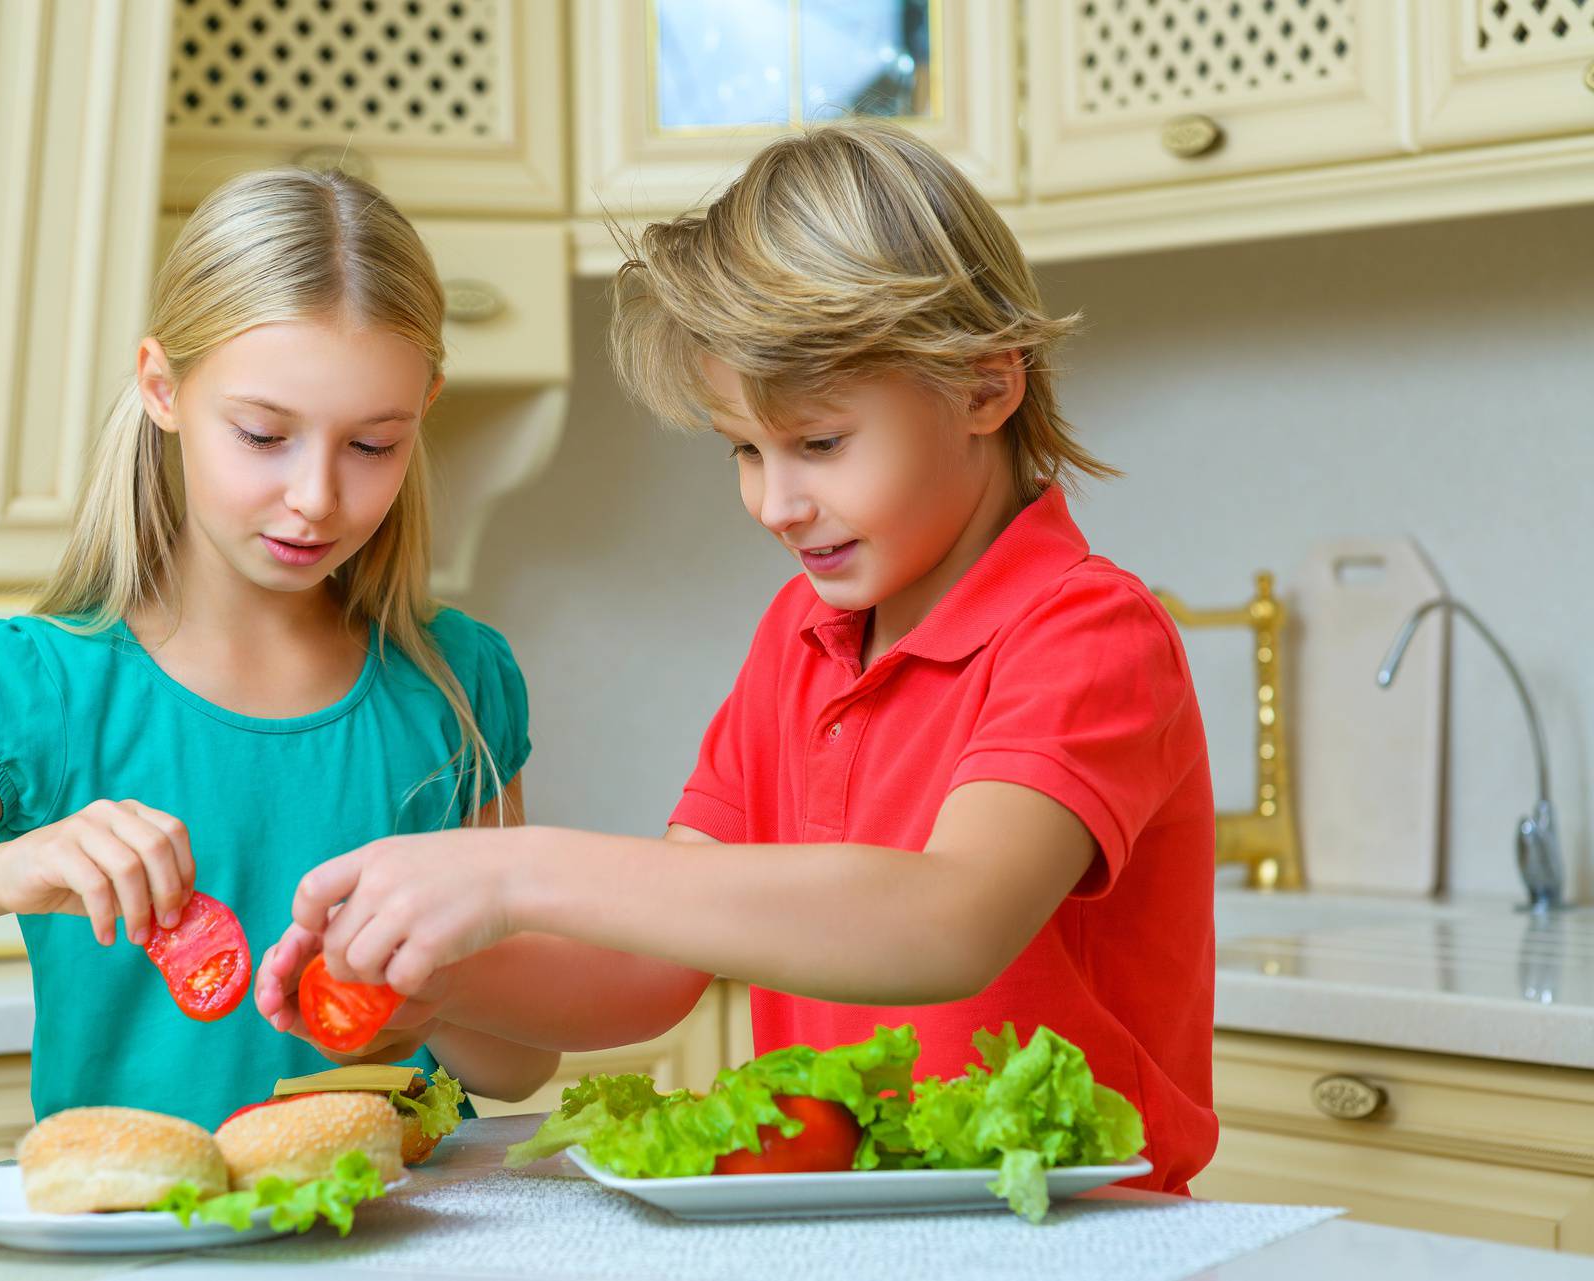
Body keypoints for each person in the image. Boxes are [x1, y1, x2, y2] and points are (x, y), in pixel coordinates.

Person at [255, 122, 1219, 1193]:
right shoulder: (801, 638)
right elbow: (650, 970)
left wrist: (513, 869)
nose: (775, 502)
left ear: (988, 390)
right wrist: (437, 979)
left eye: (818, 444)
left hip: (1079, 1248)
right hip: (841, 1233)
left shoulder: (1088, 632)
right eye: (745, 453)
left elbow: (950, 920)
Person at [0, 168, 557, 1131]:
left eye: (373, 446)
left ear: (425, 410)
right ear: (162, 388)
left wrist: (428, 981)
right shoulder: (29, 687)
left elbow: (522, 1065)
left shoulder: (457, 683)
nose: (318, 496)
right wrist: (2, 872)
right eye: (263, 434)